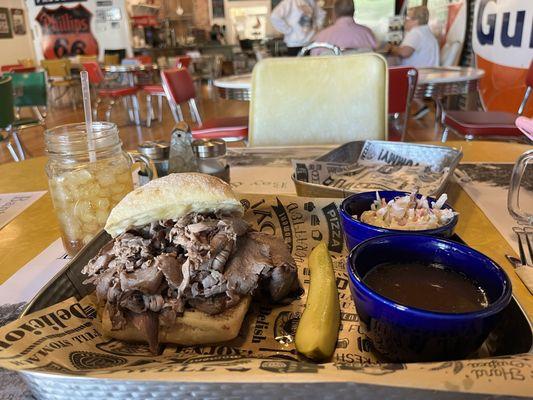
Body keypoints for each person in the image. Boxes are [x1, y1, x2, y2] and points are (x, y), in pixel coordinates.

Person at [311, 0, 377, 55]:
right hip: (360, 70)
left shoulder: (321, 37)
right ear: (353, 12)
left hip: (331, 70)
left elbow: (314, 59)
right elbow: (374, 55)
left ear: (334, 13)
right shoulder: (367, 34)